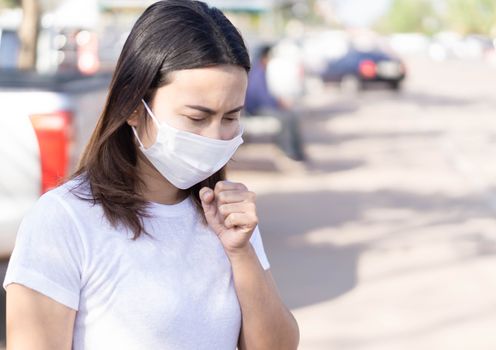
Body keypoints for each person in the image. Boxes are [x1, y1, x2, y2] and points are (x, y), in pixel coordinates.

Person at [3, 1, 300, 349]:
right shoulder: (65, 220)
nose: (216, 136)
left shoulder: (228, 216)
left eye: (231, 117)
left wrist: (242, 252)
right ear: (133, 106)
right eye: (196, 117)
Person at [245, 45, 305, 161]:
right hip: (257, 109)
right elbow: (260, 97)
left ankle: (297, 152)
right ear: (264, 57)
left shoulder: (262, 70)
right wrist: (277, 103)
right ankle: (288, 152)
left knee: (293, 115)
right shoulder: (257, 72)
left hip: (264, 106)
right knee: (284, 118)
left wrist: (278, 102)